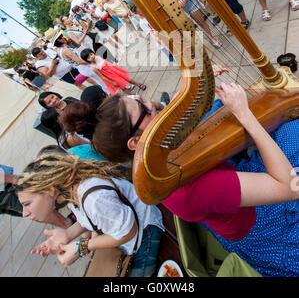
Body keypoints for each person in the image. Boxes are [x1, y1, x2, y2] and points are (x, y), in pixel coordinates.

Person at [92, 82, 299, 277]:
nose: (148, 104)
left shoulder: (156, 164)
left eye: (139, 99)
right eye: (142, 109)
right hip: (265, 222)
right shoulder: (187, 189)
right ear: (135, 142)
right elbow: (288, 187)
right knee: (293, 130)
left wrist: (197, 90)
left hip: (235, 196)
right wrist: (244, 114)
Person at [16, 153, 164, 277]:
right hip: (129, 233)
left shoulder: (93, 199)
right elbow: (92, 218)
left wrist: (81, 248)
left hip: (144, 232)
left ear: (50, 190)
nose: (24, 213)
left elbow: (128, 232)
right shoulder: (69, 192)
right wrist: (68, 234)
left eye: (27, 204)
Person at [80, 48, 147, 95]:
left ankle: (138, 84)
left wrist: (115, 68)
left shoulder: (97, 57)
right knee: (122, 86)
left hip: (114, 70)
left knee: (127, 78)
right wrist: (112, 82)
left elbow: (106, 63)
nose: (91, 57)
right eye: (88, 57)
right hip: (111, 77)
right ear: (87, 60)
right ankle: (133, 95)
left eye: (91, 54)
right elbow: (102, 77)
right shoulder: (93, 67)